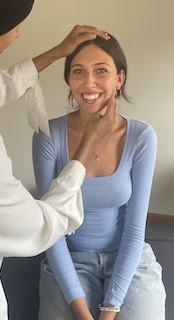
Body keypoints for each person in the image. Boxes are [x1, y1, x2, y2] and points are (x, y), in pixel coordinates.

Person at [0, 0, 112, 319]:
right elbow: (39, 227)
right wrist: (87, 145)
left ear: (120, 79)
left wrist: (57, 51)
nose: (18, 34)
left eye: (101, 71)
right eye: (10, 24)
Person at [32, 33, 166, 320]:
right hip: (69, 260)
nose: (89, 82)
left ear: (119, 79)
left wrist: (109, 310)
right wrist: (82, 312)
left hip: (129, 259)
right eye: (78, 71)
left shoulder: (141, 137)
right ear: (69, 79)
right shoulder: (47, 136)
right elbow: (51, 229)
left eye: (101, 71)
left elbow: (134, 231)